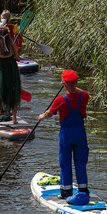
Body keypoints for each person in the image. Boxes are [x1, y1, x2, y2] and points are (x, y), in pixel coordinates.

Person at [38, 69, 91, 204]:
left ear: (63, 84)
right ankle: (83, 190)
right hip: (80, 134)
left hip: (67, 135)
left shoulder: (60, 100)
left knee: (65, 162)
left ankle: (66, 192)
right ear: (76, 82)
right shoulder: (84, 96)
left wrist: (41, 116)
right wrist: (71, 85)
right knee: (80, 163)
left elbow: (50, 113)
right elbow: (78, 91)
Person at [0, 24, 22, 123]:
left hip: (0, 72)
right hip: (12, 71)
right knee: (13, 92)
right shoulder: (12, 46)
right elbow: (18, 58)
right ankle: (14, 118)